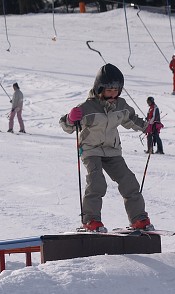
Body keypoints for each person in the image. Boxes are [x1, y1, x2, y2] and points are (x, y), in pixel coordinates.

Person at [59, 63, 152, 233]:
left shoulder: (121, 105)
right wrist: (70, 119)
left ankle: (139, 219)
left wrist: (148, 127)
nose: (113, 94)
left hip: (112, 150)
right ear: (99, 88)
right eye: (109, 90)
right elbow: (68, 126)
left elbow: (132, 119)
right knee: (97, 182)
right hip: (91, 150)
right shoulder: (87, 107)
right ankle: (90, 220)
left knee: (128, 181)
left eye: (116, 90)